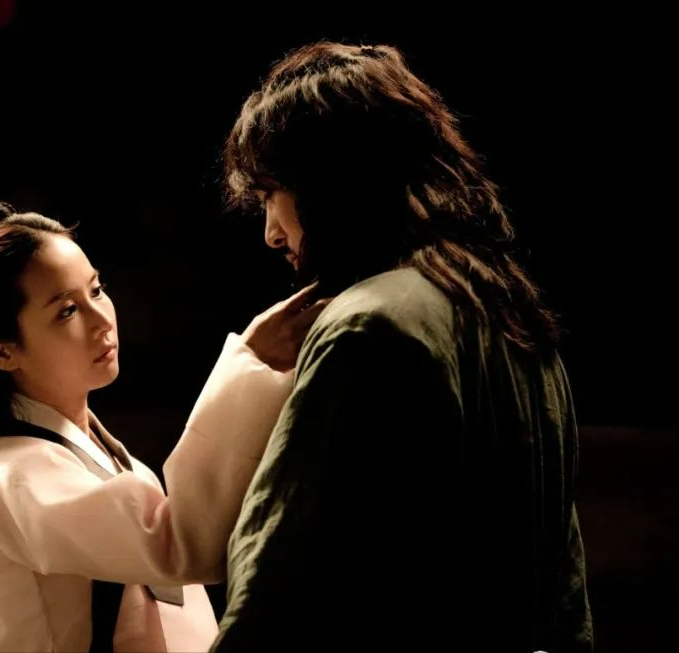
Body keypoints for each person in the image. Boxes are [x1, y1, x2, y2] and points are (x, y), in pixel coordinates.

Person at [213, 42, 593, 652]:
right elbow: (565, 587)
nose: (271, 233)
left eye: (270, 194)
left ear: (328, 180)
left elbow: (278, 579)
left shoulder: (366, 326)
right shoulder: (513, 318)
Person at [0, 200, 327, 652]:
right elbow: (181, 545)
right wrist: (254, 362)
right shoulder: (15, 478)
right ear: (0, 352)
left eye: (97, 290)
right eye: (67, 310)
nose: (102, 319)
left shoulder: (106, 462)